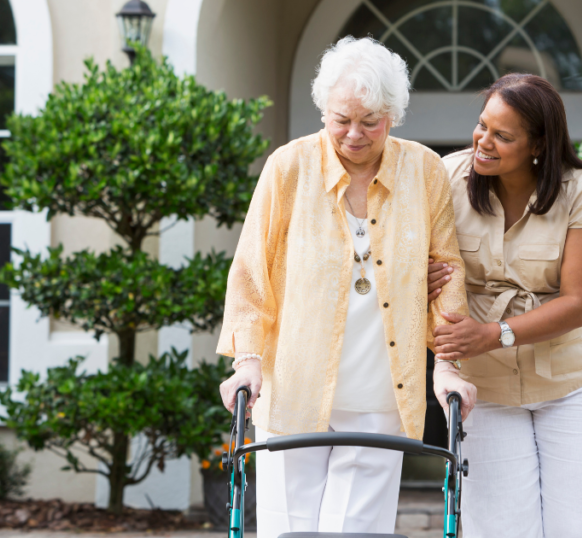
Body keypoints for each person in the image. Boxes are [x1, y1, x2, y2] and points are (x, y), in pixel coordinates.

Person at [215, 36, 477, 537]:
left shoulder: (423, 170)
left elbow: (448, 271)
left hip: (381, 396)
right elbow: (251, 271)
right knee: (289, 531)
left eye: (369, 121)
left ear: (393, 115)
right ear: (323, 111)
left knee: (356, 533)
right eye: (341, 120)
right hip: (292, 388)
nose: (354, 134)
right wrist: (247, 359)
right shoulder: (288, 167)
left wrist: (447, 365)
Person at [428, 73, 582, 538]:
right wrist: (419, 275)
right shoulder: (447, 179)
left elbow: (579, 302)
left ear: (538, 144)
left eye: (502, 135)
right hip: (486, 387)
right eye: (482, 126)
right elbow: (404, 251)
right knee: (498, 526)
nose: (483, 142)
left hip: (573, 382)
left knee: (576, 525)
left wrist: (494, 334)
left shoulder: (581, 192)